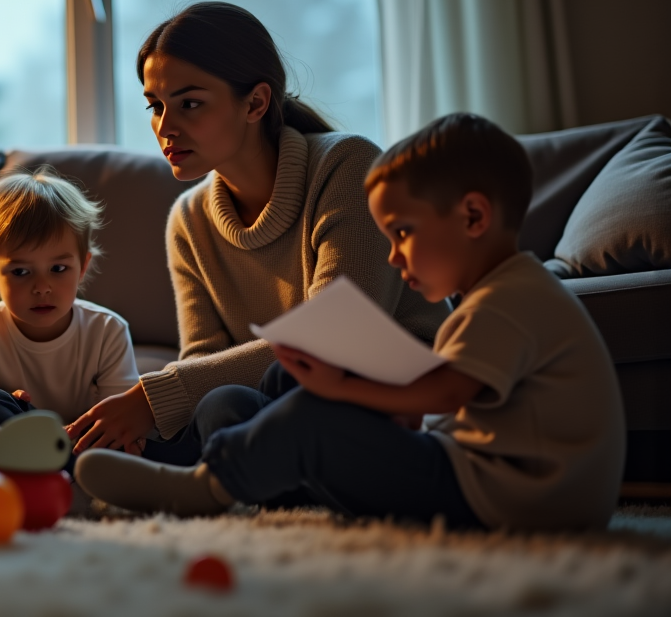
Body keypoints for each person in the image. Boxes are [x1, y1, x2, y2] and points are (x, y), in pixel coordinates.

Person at [75, 114, 627, 531]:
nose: (392, 257)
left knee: (314, 417)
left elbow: (445, 390)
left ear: (474, 217)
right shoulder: (504, 294)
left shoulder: (510, 299)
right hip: (497, 482)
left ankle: (209, 485)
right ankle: (269, 463)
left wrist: (341, 389)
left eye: (403, 234)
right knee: (269, 390)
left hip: (516, 500)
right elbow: (452, 404)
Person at [67, 2, 446, 465]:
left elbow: (340, 336)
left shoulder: (348, 166)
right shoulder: (189, 219)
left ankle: (204, 478)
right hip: (280, 404)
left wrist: (154, 398)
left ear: (256, 102)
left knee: (241, 405)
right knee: (222, 408)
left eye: (189, 103)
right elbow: (204, 360)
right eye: (156, 106)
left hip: (399, 394)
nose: (165, 127)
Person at [0, 168, 139, 463]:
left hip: (81, 445)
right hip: (13, 448)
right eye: (21, 272)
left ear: (83, 267)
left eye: (58, 269)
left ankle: (70, 471)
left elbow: (119, 417)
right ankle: (50, 471)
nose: (42, 288)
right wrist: (10, 407)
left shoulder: (107, 330)